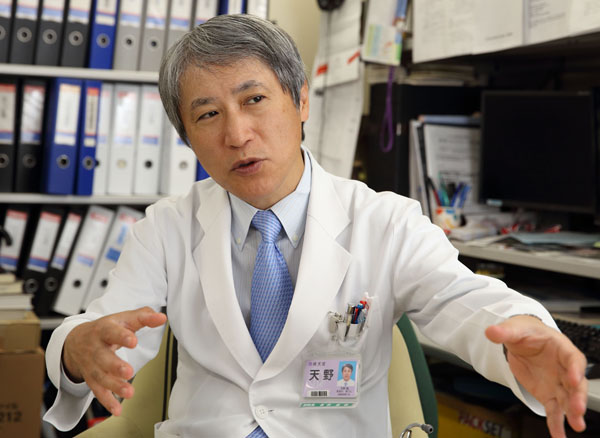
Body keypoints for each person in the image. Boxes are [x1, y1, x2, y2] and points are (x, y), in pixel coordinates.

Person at [44, 14, 588, 438]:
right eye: (208, 114)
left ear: (301, 100)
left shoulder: (385, 221)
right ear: (187, 137)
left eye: (255, 100)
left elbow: (461, 299)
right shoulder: (166, 227)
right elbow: (105, 328)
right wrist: (76, 350)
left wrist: (526, 331)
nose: (237, 134)